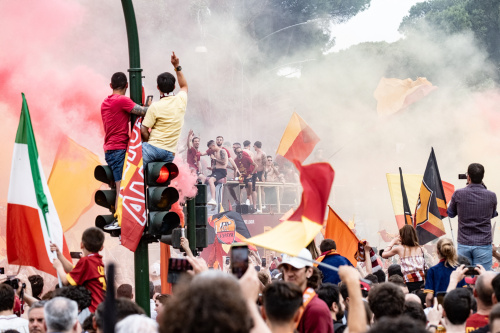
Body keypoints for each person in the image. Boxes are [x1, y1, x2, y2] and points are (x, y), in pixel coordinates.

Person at [101, 72, 150, 221]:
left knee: (121, 187)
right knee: (121, 189)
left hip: (111, 150)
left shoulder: (106, 102)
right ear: (127, 86)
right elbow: (143, 111)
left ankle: (121, 218)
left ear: (111, 86)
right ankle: (119, 220)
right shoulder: (122, 100)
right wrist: (149, 106)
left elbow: (125, 116)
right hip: (119, 150)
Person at [141, 51, 188, 167]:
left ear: (158, 87)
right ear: (174, 87)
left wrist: (148, 143)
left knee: (131, 172)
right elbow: (184, 86)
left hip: (152, 148)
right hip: (170, 154)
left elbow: (143, 129)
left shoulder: (155, 106)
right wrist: (176, 66)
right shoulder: (181, 100)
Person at [448, 163, 497, 271]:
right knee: (483, 277)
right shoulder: (491, 195)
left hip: (464, 242)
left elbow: (450, 213)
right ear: (482, 177)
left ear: (468, 177)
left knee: (464, 276)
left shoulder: (458, 194)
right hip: (483, 244)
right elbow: (492, 214)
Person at [51, 227, 106, 313]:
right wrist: (59, 254)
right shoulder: (96, 260)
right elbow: (73, 271)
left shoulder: (86, 261)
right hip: (99, 308)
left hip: (92, 309)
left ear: (81, 245)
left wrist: (59, 267)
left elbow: (66, 281)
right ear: (101, 247)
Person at [279, 248, 334, 333]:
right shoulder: (284, 303)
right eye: (286, 268)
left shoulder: (316, 309)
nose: (289, 273)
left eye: (295, 268)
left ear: (309, 272)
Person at [381, 225, 427, 293]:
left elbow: (384, 254)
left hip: (410, 282)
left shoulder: (400, 249)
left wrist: (393, 242)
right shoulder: (420, 248)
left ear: (402, 236)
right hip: (423, 280)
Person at [424, 238, 466, 307]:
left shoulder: (432, 270)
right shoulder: (458, 270)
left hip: (439, 308)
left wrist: (429, 308)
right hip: (457, 307)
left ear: (437, 251)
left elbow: (429, 297)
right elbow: (464, 292)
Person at [205, 140, 228, 206]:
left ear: (213, 145)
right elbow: (216, 164)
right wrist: (212, 168)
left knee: (211, 180)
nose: (210, 150)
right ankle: (211, 201)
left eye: (210, 148)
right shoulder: (215, 153)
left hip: (221, 171)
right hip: (216, 171)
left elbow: (223, 162)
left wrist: (214, 158)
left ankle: (213, 199)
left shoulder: (222, 151)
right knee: (206, 180)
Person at [252, 141, 267, 213]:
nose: (253, 148)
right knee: (255, 189)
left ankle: (263, 204)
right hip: (256, 172)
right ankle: (257, 205)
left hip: (261, 172)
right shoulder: (256, 154)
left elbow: (265, 164)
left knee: (261, 189)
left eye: (254, 146)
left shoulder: (263, 154)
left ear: (255, 146)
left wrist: (263, 174)